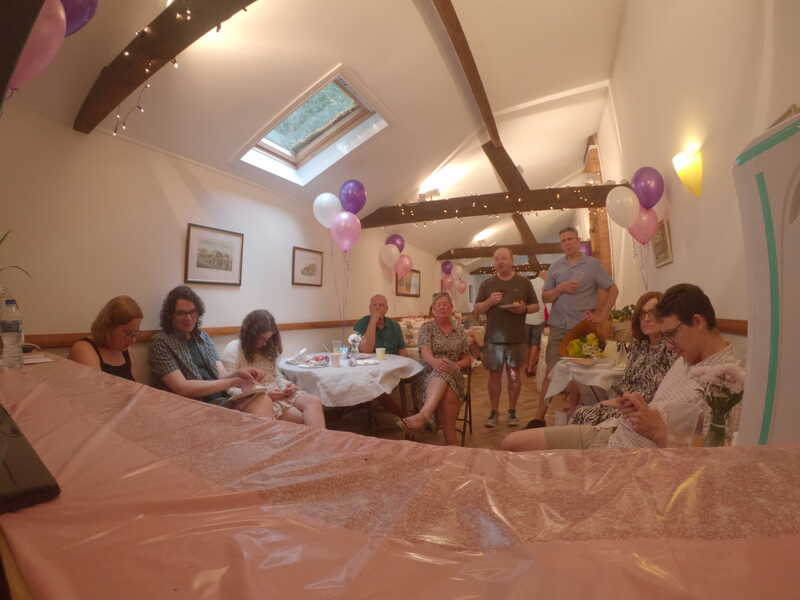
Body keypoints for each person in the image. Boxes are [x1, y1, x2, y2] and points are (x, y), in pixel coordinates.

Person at [501, 284, 739, 451]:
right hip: (615, 432)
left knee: (516, 448)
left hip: (624, 451)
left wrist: (660, 432)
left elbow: (721, 450)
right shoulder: (686, 358)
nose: (669, 345)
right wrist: (639, 405)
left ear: (697, 322)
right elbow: (662, 406)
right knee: (511, 442)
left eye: (671, 334)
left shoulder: (726, 379)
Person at [526, 227, 619, 428]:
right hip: (558, 326)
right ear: (561, 244)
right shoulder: (555, 267)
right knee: (551, 373)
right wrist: (560, 288)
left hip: (582, 328)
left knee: (583, 373)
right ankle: (539, 418)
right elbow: (545, 297)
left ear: (578, 241)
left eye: (570, 239)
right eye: (563, 240)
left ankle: (584, 416)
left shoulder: (592, 265)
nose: (567, 243)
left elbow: (613, 289)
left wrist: (602, 314)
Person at [148, 286, 271, 416]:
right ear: (170, 316)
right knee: (260, 406)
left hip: (221, 400)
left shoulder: (204, 337)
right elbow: (182, 388)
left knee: (263, 399)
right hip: (193, 406)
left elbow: (221, 376)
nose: (188, 318)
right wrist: (232, 382)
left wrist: (239, 374)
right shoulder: (160, 343)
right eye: (181, 313)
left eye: (192, 312)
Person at [570, 291, 677, 426]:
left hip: (645, 412)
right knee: (581, 412)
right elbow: (626, 383)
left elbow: (660, 394)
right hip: (625, 404)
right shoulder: (639, 346)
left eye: (653, 313)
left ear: (664, 315)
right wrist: (615, 401)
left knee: (585, 415)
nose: (646, 319)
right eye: (642, 314)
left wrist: (620, 403)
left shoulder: (670, 349)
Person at [221, 310, 326, 428]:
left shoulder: (267, 349)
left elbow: (276, 376)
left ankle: (320, 440)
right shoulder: (233, 348)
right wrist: (262, 393)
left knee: (313, 402)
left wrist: (287, 386)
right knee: (300, 418)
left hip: (277, 392)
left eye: (268, 339)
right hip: (255, 397)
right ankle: (314, 439)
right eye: (262, 338)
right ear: (250, 335)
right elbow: (229, 387)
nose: (265, 343)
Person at [474, 247, 539, 428]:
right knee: (494, 377)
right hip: (493, 340)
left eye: (504, 258)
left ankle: (512, 411)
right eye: (497, 259)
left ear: (512, 260)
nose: (500, 262)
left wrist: (523, 309)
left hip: (517, 338)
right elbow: (477, 309)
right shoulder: (487, 284)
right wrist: (489, 302)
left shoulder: (524, 282)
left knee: (515, 376)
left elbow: (536, 306)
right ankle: (494, 412)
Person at [398, 293, 471, 445]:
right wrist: (436, 362)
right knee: (447, 390)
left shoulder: (459, 329)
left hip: (454, 372)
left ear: (451, 308)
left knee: (445, 372)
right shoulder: (427, 328)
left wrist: (456, 365)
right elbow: (425, 353)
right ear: (433, 309)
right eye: (439, 305)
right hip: (428, 372)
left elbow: (467, 358)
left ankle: (424, 415)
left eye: (446, 304)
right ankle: (452, 442)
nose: (442, 307)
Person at [68, 296, 142, 381]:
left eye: (135, 333)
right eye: (128, 333)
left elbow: (136, 386)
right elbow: (95, 387)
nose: (133, 340)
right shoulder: (83, 349)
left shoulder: (126, 350)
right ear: (108, 328)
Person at [524, 269, 550, 377]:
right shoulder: (546, 286)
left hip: (526, 317)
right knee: (535, 344)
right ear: (545, 276)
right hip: (539, 319)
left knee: (526, 344)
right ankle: (530, 368)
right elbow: (548, 304)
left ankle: (526, 365)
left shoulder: (529, 283)